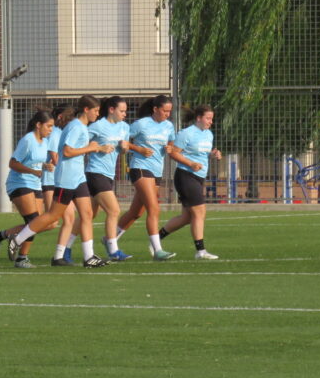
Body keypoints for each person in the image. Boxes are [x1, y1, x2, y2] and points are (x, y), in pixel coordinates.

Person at [7, 95, 111, 268]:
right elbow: (67, 152)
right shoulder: (76, 127)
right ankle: (17, 239)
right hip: (67, 178)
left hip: (78, 177)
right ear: (86, 110)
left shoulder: (81, 127)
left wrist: (97, 148)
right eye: (96, 110)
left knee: (87, 214)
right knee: (53, 216)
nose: (98, 114)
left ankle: (89, 257)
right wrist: (92, 148)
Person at [0, 110, 54, 268]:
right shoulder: (27, 140)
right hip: (19, 183)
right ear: (38, 125)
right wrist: (32, 171)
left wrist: (45, 166)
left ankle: (0, 235)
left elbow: (34, 161)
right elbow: (13, 163)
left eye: (52, 126)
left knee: (47, 224)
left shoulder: (45, 142)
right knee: (34, 222)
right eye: (48, 126)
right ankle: (22, 258)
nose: (51, 130)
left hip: (35, 184)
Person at [116, 95, 178, 261]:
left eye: (169, 111)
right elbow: (123, 141)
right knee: (154, 208)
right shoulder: (141, 124)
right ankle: (158, 250)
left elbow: (171, 144)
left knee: (136, 212)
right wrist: (139, 149)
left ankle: (110, 239)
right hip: (140, 168)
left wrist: (169, 148)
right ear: (155, 109)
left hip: (157, 171)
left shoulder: (169, 126)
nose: (167, 114)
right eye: (165, 111)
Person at [159, 105, 222, 260]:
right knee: (200, 212)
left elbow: (202, 154)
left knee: (187, 217)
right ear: (198, 118)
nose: (210, 122)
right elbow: (173, 153)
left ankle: (156, 239)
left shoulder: (208, 134)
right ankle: (200, 252)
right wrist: (190, 164)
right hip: (186, 176)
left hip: (199, 177)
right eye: (208, 118)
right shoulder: (186, 133)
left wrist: (213, 154)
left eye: (212, 119)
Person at [87, 96, 133, 262]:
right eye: (122, 111)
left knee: (89, 215)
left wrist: (124, 148)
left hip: (109, 175)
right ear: (111, 110)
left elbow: (123, 150)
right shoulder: (97, 126)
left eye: (126, 111)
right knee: (114, 211)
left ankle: (65, 248)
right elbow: (79, 145)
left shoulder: (124, 127)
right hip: (95, 172)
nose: (125, 114)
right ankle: (113, 250)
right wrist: (99, 148)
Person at [44, 104, 77, 262]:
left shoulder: (63, 132)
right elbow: (56, 158)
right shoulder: (55, 133)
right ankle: (11, 235)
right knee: (52, 221)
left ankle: (60, 255)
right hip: (52, 181)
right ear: (60, 117)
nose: (73, 120)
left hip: (61, 181)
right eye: (70, 116)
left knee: (68, 219)